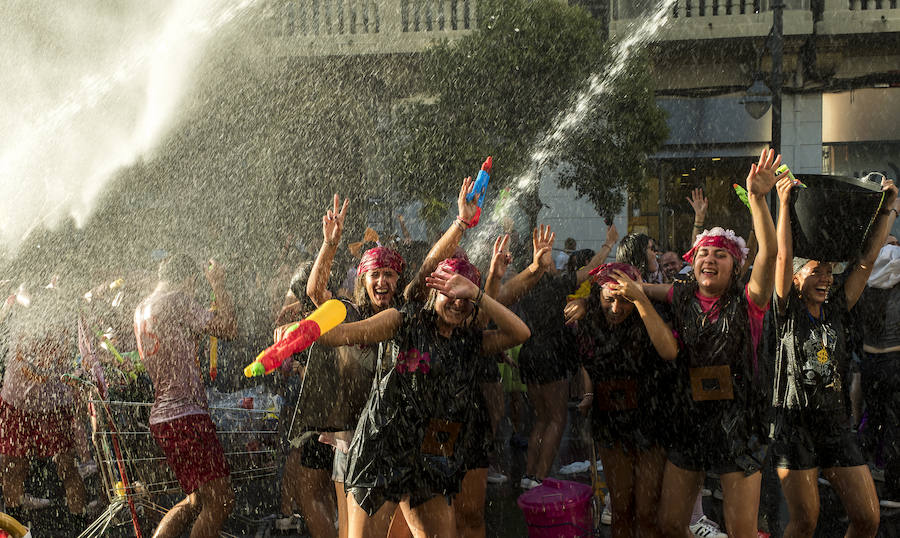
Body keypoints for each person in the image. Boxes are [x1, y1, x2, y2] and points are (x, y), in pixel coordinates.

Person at [318, 249, 531, 538]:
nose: (458, 303)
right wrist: (299, 332)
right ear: (433, 291)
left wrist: (478, 294)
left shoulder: (469, 341)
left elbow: (521, 333)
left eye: (464, 298)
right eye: (450, 293)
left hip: (432, 455)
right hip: (384, 450)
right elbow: (344, 334)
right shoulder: (404, 321)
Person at [643, 148, 783, 538]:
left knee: (741, 530)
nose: (709, 258)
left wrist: (757, 199)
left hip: (737, 426)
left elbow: (769, 253)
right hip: (690, 421)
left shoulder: (749, 302)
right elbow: (643, 288)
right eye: (703, 252)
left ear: (735, 266)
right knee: (671, 524)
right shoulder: (681, 293)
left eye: (720, 254)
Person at [770, 174, 898, 536]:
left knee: (867, 518)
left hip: (834, 424)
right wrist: (782, 204)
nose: (826, 278)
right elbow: (782, 255)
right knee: (806, 520)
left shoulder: (837, 306)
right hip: (794, 425)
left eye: (829, 271)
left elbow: (866, 262)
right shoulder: (786, 310)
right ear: (796, 278)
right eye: (816, 271)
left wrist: (887, 206)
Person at [495, 223, 618, 489]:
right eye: (548, 258)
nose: (553, 262)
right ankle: (540, 476)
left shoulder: (528, 287)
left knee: (541, 417)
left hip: (531, 352)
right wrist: (608, 245)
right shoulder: (554, 284)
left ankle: (529, 475)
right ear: (544, 264)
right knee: (556, 418)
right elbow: (589, 272)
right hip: (551, 353)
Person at [133, 254, 237, 538]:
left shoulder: (141, 308)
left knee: (196, 501)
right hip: (185, 415)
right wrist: (218, 285)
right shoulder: (177, 299)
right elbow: (229, 328)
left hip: (165, 417)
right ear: (189, 280)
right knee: (221, 501)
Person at [580, 263, 677, 537]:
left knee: (647, 511)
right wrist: (588, 394)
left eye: (624, 300)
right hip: (610, 421)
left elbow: (669, 351)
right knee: (621, 508)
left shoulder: (651, 313)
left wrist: (641, 298)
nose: (615, 309)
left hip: (651, 419)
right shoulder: (592, 318)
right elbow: (586, 362)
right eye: (609, 299)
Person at [0, 285, 88, 520]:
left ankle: (80, 525)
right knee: (13, 470)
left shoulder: (58, 312)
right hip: (18, 404)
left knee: (67, 468)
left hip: (52, 406)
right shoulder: (16, 303)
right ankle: (14, 529)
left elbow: (72, 355)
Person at [858, 237, 900, 508]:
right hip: (895, 360)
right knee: (895, 425)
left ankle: (863, 477)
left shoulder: (865, 282)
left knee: (872, 418)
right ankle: (893, 490)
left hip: (869, 361)